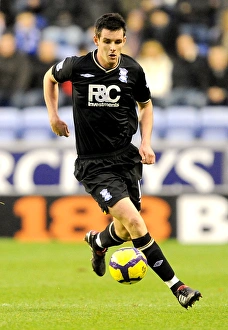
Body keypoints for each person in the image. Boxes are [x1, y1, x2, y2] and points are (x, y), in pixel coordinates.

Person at [43, 12, 202, 309]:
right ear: (96, 40)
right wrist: (53, 115)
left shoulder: (133, 69)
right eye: (107, 41)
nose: (113, 47)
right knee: (135, 222)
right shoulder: (77, 66)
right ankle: (177, 286)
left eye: (118, 42)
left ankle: (99, 243)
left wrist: (145, 141)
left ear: (125, 41)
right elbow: (49, 78)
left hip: (126, 159)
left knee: (126, 230)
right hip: (94, 164)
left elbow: (146, 105)